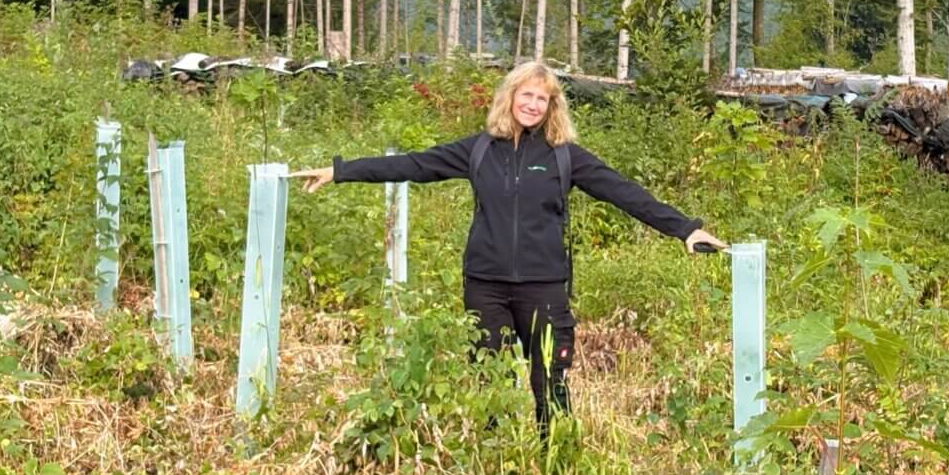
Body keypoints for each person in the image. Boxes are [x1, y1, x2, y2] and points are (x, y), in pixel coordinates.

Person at [292, 61, 725, 436]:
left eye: (543, 99)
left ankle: (553, 465)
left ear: (553, 107)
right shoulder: (478, 150)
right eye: (527, 95)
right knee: (488, 379)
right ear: (510, 97)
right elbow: (413, 164)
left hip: (544, 288)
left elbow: (623, 192)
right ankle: (495, 470)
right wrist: (340, 172)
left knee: (550, 383)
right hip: (486, 287)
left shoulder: (564, 156)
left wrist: (685, 229)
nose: (533, 105)